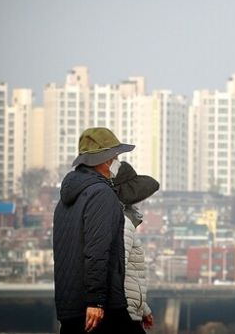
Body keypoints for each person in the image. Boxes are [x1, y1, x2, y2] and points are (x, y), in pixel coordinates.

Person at [53, 127, 135, 333]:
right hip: (100, 310)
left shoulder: (66, 200)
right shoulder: (101, 194)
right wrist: (96, 301)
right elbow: (97, 251)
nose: (117, 161)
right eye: (115, 156)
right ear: (105, 160)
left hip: (70, 307)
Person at [112, 161, 159, 333]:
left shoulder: (118, 220)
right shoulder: (123, 223)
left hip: (128, 309)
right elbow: (118, 271)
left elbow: (128, 275)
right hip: (123, 312)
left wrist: (143, 309)